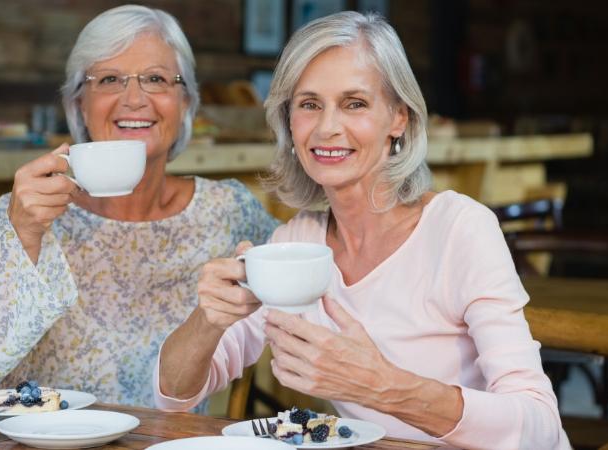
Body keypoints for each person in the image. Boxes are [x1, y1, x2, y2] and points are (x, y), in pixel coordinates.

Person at [154, 11, 570, 449]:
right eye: (309, 104)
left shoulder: (459, 229)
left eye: (355, 103)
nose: (328, 127)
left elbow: (537, 428)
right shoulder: (296, 246)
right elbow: (175, 396)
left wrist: (382, 386)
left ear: (399, 119)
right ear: (289, 123)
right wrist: (208, 319)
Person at [0, 5, 277, 408]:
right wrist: (24, 235)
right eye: (109, 79)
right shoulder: (25, 212)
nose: (135, 99)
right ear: (79, 106)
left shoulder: (227, 209)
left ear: (186, 104)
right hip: (44, 439)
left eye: (156, 79)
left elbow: (312, 277)